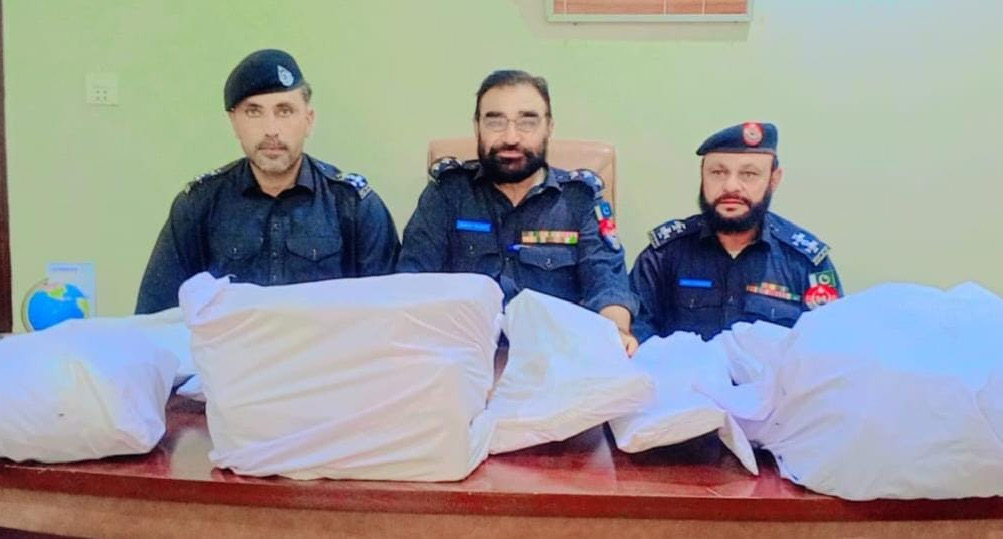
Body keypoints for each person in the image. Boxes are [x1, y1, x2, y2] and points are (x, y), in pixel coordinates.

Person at [136, 49, 399, 314]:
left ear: (308, 121)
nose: (271, 130)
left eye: (284, 111)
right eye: (254, 112)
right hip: (231, 343)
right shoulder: (198, 206)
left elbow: (390, 317)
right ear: (234, 122)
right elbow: (157, 318)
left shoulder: (353, 205)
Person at [397, 69, 639, 354]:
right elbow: (413, 284)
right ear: (477, 127)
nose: (511, 137)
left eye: (527, 122)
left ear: (549, 127)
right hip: (460, 356)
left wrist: (616, 332)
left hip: (555, 358)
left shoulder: (580, 200)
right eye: (495, 122)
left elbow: (607, 285)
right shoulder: (447, 194)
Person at [630, 122, 842, 342]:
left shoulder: (804, 263)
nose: (731, 186)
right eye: (718, 172)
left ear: (773, 180)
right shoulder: (663, 255)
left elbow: (828, 346)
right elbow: (636, 336)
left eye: (749, 174)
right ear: (702, 176)